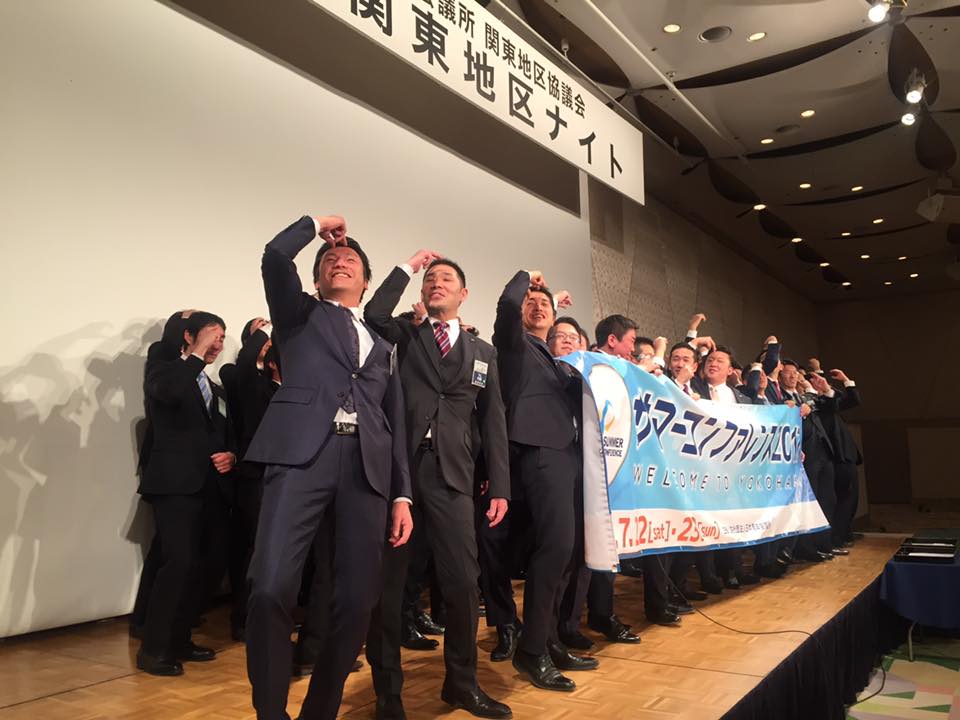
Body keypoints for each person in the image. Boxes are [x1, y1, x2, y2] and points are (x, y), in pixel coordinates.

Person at [244, 215, 413, 720]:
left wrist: (402, 494)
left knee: (359, 601)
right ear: (317, 279)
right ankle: (270, 713)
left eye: (351, 260)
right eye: (330, 260)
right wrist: (315, 226)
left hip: (367, 469)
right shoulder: (298, 315)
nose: (340, 262)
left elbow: (394, 421)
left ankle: (320, 711)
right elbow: (275, 256)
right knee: (270, 586)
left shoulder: (384, 344)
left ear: (366, 281)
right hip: (302, 457)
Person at [363, 251, 512, 720]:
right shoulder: (406, 334)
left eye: (445, 278)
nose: (435, 283)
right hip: (400, 472)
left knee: (464, 582)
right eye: (429, 279)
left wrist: (501, 485)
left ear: (463, 293)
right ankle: (387, 692)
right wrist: (408, 267)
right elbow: (374, 313)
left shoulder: (483, 352)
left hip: (454, 475)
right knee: (389, 586)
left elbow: (493, 421)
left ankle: (462, 684)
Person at [494, 270, 597, 693]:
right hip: (539, 452)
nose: (537, 307)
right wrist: (527, 277)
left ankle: (550, 640)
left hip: (569, 457)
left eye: (546, 305)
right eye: (531, 302)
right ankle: (532, 649)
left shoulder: (559, 365)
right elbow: (506, 306)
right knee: (555, 548)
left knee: (566, 553)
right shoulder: (516, 346)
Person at [136, 310, 235, 676]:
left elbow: (221, 430)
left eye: (222, 338)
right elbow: (169, 392)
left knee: (204, 565)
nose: (218, 344)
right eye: (212, 335)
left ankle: (179, 639)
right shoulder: (164, 369)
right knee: (178, 562)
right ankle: (154, 650)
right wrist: (194, 355)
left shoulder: (212, 386)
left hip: (209, 485)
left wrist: (232, 454)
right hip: (175, 484)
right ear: (189, 337)